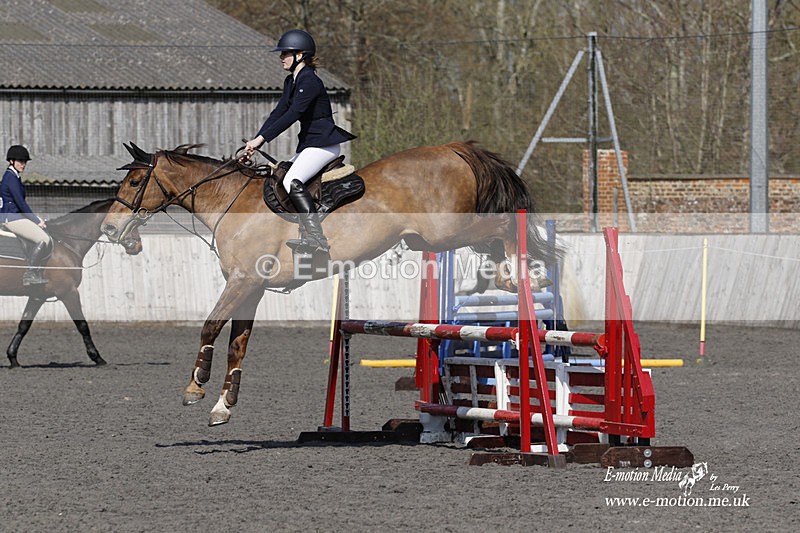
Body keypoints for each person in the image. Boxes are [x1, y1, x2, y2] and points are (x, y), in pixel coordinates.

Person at [242, 29, 355, 254]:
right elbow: (278, 112)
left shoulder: (310, 80)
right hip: (310, 145)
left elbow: (293, 114)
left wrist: (261, 140)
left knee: (292, 180)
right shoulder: (291, 81)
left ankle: (315, 238)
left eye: (286, 53)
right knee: (281, 175)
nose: (281, 57)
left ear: (300, 55)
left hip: (324, 145)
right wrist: (256, 141)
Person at [0, 145, 52, 285]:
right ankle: (31, 273)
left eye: (25, 162)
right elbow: (21, 204)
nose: (23, 164)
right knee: (43, 239)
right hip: (11, 218)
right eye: (20, 161)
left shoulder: (14, 176)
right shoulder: (10, 177)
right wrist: (36, 221)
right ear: (11, 161)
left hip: (14, 217)